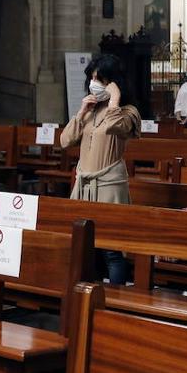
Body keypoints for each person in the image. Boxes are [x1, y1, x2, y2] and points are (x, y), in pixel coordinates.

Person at [59, 54, 142, 285]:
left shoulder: (128, 111)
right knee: (85, 248)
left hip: (108, 186)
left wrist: (115, 100)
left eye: (101, 79)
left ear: (114, 82)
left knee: (111, 250)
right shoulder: (91, 111)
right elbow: (65, 141)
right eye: (92, 78)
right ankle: (87, 299)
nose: (94, 83)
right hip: (84, 185)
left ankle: (115, 304)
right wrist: (82, 112)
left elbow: (119, 128)